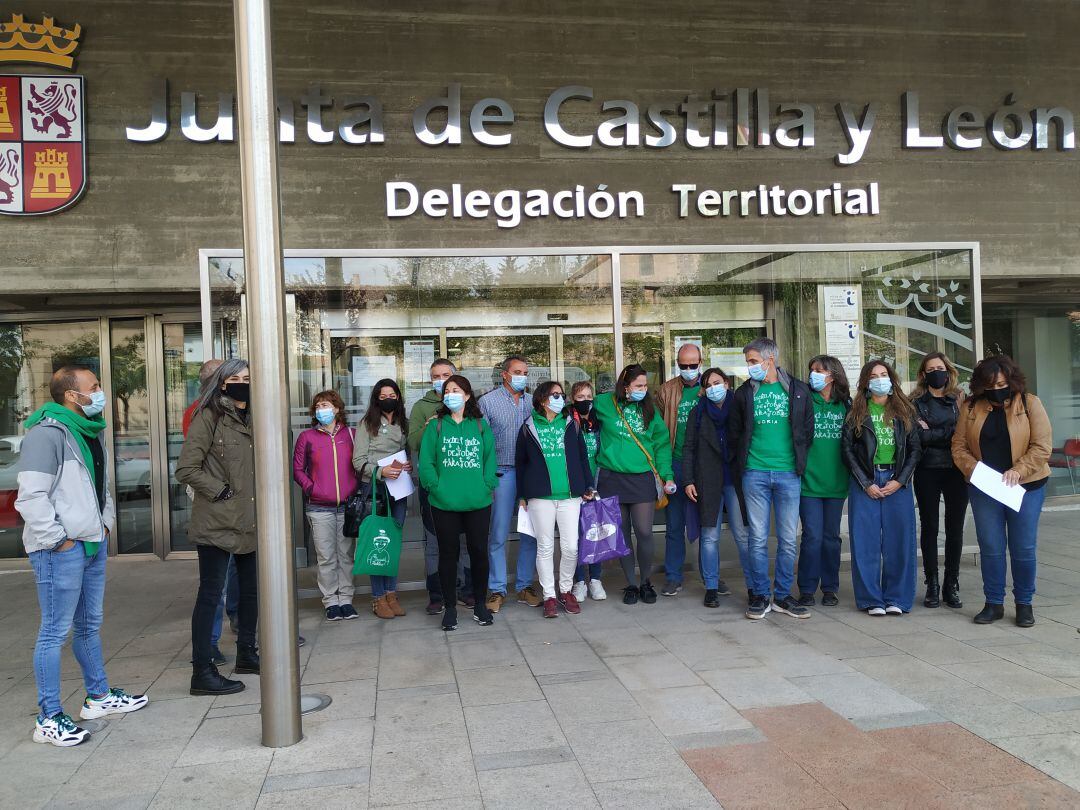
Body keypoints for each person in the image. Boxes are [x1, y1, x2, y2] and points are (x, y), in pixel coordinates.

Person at [16, 366, 149, 747]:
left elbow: (99, 486)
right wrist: (59, 540)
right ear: (73, 395)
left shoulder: (90, 432)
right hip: (61, 550)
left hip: (91, 544)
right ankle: (49, 717)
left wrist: (103, 527)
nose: (100, 392)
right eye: (94, 387)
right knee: (54, 632)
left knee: (89, 626)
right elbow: (31, 497)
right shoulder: (46, 435)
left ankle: (98, 697)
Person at [176, 359, 259, 696]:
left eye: (248, 378)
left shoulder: (254, 416)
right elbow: (187, 468)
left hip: (249, 520)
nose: (242, 383)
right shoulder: (208, 416)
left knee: (252, 592)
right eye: (235, 378)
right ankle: (202, 671)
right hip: (216, 520)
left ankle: (247, 654)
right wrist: (220, 490)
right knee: (210, 594)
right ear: (222, 384)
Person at [951, 355, 1052, 627]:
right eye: (991, 385)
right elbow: (958, 446)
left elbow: (1042, 446)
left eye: (1003, 383)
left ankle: (1024, 604)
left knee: (1023, 547)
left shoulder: (1030, 403)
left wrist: (1019, 469)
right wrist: (974, 470)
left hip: (1025, 487)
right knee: (991, 547)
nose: (997, 389)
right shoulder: (971, 407)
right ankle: (993, 602)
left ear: (1012, 381)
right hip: (986, 488)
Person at [728, 338, 814, 620]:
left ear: (770, 359)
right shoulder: (744, 394)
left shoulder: (799, 390)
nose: (749, 367)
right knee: (757, 539)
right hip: (755, 473)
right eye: (748, 362)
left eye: (753, 361)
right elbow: (736, 433)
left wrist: (797, 463)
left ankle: (783, 595)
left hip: (789, 473)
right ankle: (760, 595)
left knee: (789, 539)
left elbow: (807, 432)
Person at [842, 359, 921, 616]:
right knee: (865, 542)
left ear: (891, 379)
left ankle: (897, 598)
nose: (879, 379)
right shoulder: (856, 412)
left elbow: (914, 450)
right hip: (865, 481)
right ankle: (871, 599)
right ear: (866, 382)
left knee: (900, 541)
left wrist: (900, 480)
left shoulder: (905, 410)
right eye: (874, 376)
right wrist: (865, 482)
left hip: (897, 480)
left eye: (884, 374)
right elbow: (847, 450)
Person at [419, 374, 498, 631]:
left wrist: (487, 485)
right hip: (444, 502)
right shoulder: (436, 426)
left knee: (478, 553)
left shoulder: (480, 425)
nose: (451, 394)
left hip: (478, 501)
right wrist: (435, 487)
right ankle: (450, 607)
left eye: (456, 390)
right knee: (448, 554)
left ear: (466, 395)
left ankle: (479, 606)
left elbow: (489, 459)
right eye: (447, 390)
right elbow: (427, 462)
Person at [592, 364, 674, 605]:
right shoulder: (603, 403)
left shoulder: (648, 409)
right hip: (612, 477)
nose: (643, 390)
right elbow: (580, 412)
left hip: (642, 478)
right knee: (622, 534)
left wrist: (667, 475)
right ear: (625, 386)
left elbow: (661, 444)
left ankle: (646, 581)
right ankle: (630, 583)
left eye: (645, 386)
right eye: (638, 386)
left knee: (644, 531)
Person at [516, 380, 595, 617]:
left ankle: (566, 590)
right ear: (542, 400)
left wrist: (588, 484)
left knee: (571, 546)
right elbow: (521, 463)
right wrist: (522, 494)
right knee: (545, 546)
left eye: (561, 395)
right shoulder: (528, 427)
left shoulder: (571, 424)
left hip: (571, 496)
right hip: (540, 497)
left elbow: (583, 457)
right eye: (555, 395)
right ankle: (549, 595)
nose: (560, 398)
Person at [294, 389, 361, 622]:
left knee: (345, 555)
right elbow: (298, 470)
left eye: (327, 405)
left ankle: (346, 599)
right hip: (319, 507)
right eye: (319, 406)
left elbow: (360, 464)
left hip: (347, 506)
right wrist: (312, 489)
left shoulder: (351, 435)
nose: (323, 409)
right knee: (326, 556)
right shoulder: (307, 438)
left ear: (337, 409)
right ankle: (331, 601)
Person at [479, 355, 539, 612]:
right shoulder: (487, 402)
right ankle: (497, 589)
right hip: (501, 474)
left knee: (530, 533)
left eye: (525, 372)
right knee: (498, 534)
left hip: (530, 475)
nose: (521, 377)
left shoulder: (534, 402)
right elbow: (481, 443)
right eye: (517, 372)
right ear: (504, 374)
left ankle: (525, 586)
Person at [683, 368, 747, 608]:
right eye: (708, 385)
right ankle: (711, 587)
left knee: (743, 535)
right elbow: (688, 448)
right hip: (707, 480)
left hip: (736, 479)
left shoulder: (740, 407)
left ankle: (753, 586)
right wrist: (688, 480)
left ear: (727, 384)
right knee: (710, 536)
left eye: (717, 383)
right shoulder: (697, 413)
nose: (713, 388)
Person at [183, 358, 233, 665]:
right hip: (216, 505)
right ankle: (209, 646)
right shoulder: (201, 413)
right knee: (217, 582)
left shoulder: (236, 412)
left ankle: (247, 629)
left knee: (241, 575)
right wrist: (222, 490)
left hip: (238, 505)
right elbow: (190, 467)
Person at [913, 352, 968, 609]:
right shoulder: (915, 401)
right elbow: (918, 437)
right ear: (924, 374)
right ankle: (932, 584)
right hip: (927, 469)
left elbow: (963, 434)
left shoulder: (960, 399)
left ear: (948, 370)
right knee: (930, 527)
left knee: (955, 528)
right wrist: (947, 434)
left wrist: (933, 432)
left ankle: (951, 584)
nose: (937, 372)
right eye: (931, 368)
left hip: (957, 469)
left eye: (941, 367)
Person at [408, 358, 463, 615]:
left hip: (462, 485)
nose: (440, 380)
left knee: (462, 540)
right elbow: (414, 442)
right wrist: (429, 426)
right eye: (435, 376)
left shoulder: (466, 403)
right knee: (434, 542)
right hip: (434, 486)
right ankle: (436, 593)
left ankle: (464, 589)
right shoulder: (421, 407)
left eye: (445, 375)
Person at [352, 379, 410, 619]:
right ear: (376, 398)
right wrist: (380, 471)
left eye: (393, 394)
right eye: (383, 394)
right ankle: (378, 598)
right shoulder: (367, 424)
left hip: (398, 490)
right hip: (374, 491)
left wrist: (405, 465)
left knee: (393, 543)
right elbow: (358, 461)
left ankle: (391, 593)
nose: (388, 398)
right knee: (379, 543)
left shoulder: (402, 423)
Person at [797, 355, 852, 607]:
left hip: (837, 482)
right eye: (811, 370)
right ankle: (807, 588)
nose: (813, 374)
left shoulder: (847, 405)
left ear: (833, 375)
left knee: (831, 537)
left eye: (819, 370)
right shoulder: (804, 400)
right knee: (811, 537)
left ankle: (830, 588)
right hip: (808, 482)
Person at [656, 343, 704, 597]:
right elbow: (658, 431)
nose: (688, 370)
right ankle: (673, 577)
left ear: (701, 362)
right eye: (683, 365)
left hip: (703, 466)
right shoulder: (667, 390)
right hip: (675, 463)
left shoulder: (711, 388)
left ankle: (711, 577)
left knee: (707, 526)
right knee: (674, 525)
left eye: (692, 365)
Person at [570, 381, 606, 602]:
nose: (586, 401)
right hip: (576, 488)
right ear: (573, 399)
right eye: (580, 397)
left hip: (597, 485)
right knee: (575, 537)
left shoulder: (598, 423)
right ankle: (579, 582)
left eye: (588, 396)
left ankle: (595, 579)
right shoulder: (568, 423)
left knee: (595, 533)